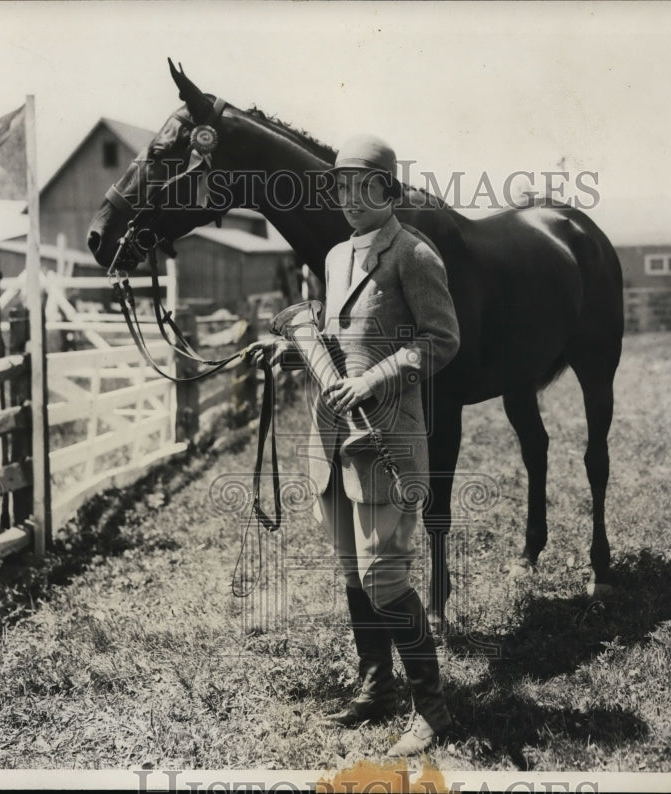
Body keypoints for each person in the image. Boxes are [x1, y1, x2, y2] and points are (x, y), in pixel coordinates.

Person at [248, 134, 460, 756]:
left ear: (387, 191)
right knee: (353, 569)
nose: (345, 197)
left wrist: (374, 378)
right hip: (334, 440)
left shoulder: (414, 255)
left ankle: (432, 707)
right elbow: (339, 341)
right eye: (338, 186)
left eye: (358, 185)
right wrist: (290, 351)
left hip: (387, 440)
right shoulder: (337, 255)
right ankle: (375, 688)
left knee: (383, 574)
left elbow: (441, 341)